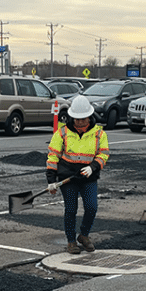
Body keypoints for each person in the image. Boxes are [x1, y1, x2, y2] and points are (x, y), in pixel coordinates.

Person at [46, 95, 109, 254]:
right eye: (77, 119)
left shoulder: (99, 133)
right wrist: (51, 180)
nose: (80, 122)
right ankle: (71, 241)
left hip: (88, 177)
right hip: (68, 177)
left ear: (89, 116)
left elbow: (103, 154)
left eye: (83, 118)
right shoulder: (62, 133)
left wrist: (93, 167)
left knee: (91, 207)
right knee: (71, 209)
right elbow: (53, 156)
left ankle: (84, 235)